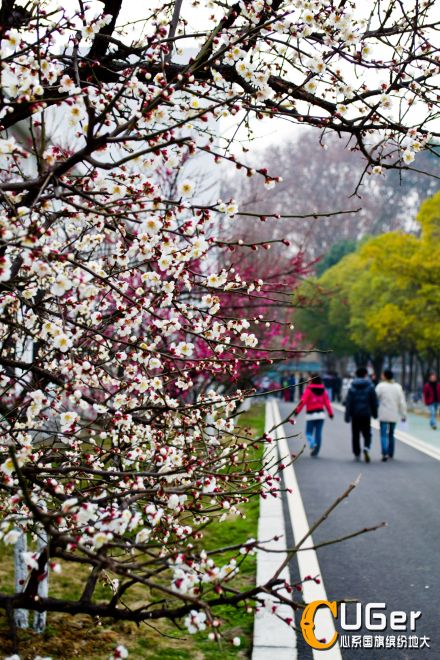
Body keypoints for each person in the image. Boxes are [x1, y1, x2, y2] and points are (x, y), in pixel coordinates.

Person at [294, 374, 333, 457]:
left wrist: (297, 411)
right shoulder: (323, 390)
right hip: (321, 415)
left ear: (312, 380)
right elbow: (327, 403)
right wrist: (330, 413)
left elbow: (303, 402)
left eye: (309, 379)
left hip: (311, 415)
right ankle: (316, 450)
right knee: (318, 433)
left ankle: (312, 443)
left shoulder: (308, 390)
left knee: (308, 432)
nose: (308, 380)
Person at [344, 367, 378, 462]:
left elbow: (348, 402)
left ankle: (357, 453)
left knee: (355, 434)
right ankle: (366, 447)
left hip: (355, 414)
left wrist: (347, 416)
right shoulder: (370, 386)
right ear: (366, 374)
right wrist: (375, 414)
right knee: (367, 434)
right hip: (366, 414)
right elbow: (374, 401)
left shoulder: (352, 386)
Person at [376, 369, 407, 461]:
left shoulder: (380, 386)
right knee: (391, 434)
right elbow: (402, 402)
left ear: (385, 376)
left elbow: (374, 398)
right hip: (394, 414)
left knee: (383, 434)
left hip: (384, 414)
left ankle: (384, 452)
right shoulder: (398, 387)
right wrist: (403, 415)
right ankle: (391, 453)